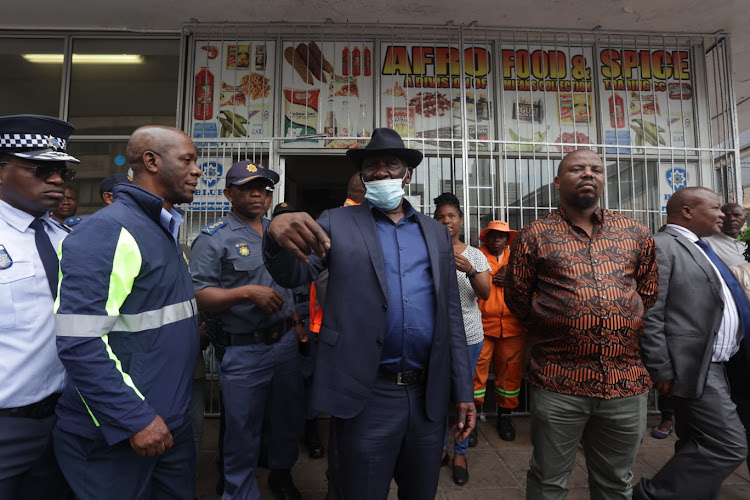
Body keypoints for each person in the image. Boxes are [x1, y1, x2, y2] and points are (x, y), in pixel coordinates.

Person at [263, 127, 476, 500]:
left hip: (428, 399)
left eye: (390, 164)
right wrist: (274, 235)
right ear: (362, 175)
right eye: (371, 166)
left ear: (406, 174)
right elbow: (293, 273)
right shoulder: (335, 222)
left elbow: (451, 318)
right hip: (366, 394)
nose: (380, 172)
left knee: (421, 492)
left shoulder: (435, 233)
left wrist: (463, 391)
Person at [52, 125, 202, 499]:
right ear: (151, 161)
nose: (198, 170)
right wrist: (134, 418)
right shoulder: (108, 231)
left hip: (168, 425)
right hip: (120, 434)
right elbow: (79, 339)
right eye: (188, 160)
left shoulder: (160, 228)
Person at [504, 148, 659, 499]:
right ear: (558, 181)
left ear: (603, 180)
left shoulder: (634, 232)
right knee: (548, 480)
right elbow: (518, 298)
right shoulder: (535, 234)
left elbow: (647, 293)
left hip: (626, 382)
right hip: (559, 380)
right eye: (577, 169)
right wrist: (562, 323)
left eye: (596, 169)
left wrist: (618, 319)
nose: (588, 174)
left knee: (616, 482)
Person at [190, 162, 304, 500]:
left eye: (263, 188)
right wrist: (245, 293)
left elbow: (296, 285)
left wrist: (298, 324)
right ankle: (239, 490)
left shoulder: (278, 233)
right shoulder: (214, 239)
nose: (257, 194)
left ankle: (281, 475)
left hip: (284, 344)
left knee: (286, 420)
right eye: (246, 187)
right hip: (244, 349)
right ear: (228, 194)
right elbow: (198, 293)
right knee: (241, 430)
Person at [635, 187, 749, 499]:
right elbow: (650, 313)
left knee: (695, 441)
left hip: (722, 363)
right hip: (694, 366)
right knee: (729, 444)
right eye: (715, 208)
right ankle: (650, 495)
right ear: (687, 211)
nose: (723, 215)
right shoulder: (662, 246)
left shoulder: (700, 246)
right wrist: (661, 368)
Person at [0, 114, 79, 499]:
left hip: (63, 419)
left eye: (62, 171)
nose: (58, 180)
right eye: (42, 169)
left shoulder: (64, 237)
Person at [433, 192, 490, 486]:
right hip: (436, 338)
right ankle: (441, 449)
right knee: (438, 396)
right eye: (440, 217)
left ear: (460, 220)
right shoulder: (429, 251)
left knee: (462, 398)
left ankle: (460, 453)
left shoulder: (475, 254)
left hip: (468, 336)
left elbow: (486, 293)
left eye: (451, 216)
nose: (446, 221)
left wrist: (470, 270)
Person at [472, 220, 525, 442]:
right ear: (486, 237)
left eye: (501, 236)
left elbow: (530, 284)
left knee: (510, 373)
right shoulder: (474, 255)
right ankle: (471, 419)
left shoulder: (517, 259)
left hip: (512, 327)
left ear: (507, 239)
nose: (497, 239)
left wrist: (512, 277)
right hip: (482, 325)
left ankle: (505, 416)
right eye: (493, 235)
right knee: (475, 373)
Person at [704, 202, 747, 267]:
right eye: (726, 216)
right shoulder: (706, 243)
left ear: (745, 219)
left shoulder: (747, 239)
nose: (732, 219)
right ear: (719, 218)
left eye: (737, 215)